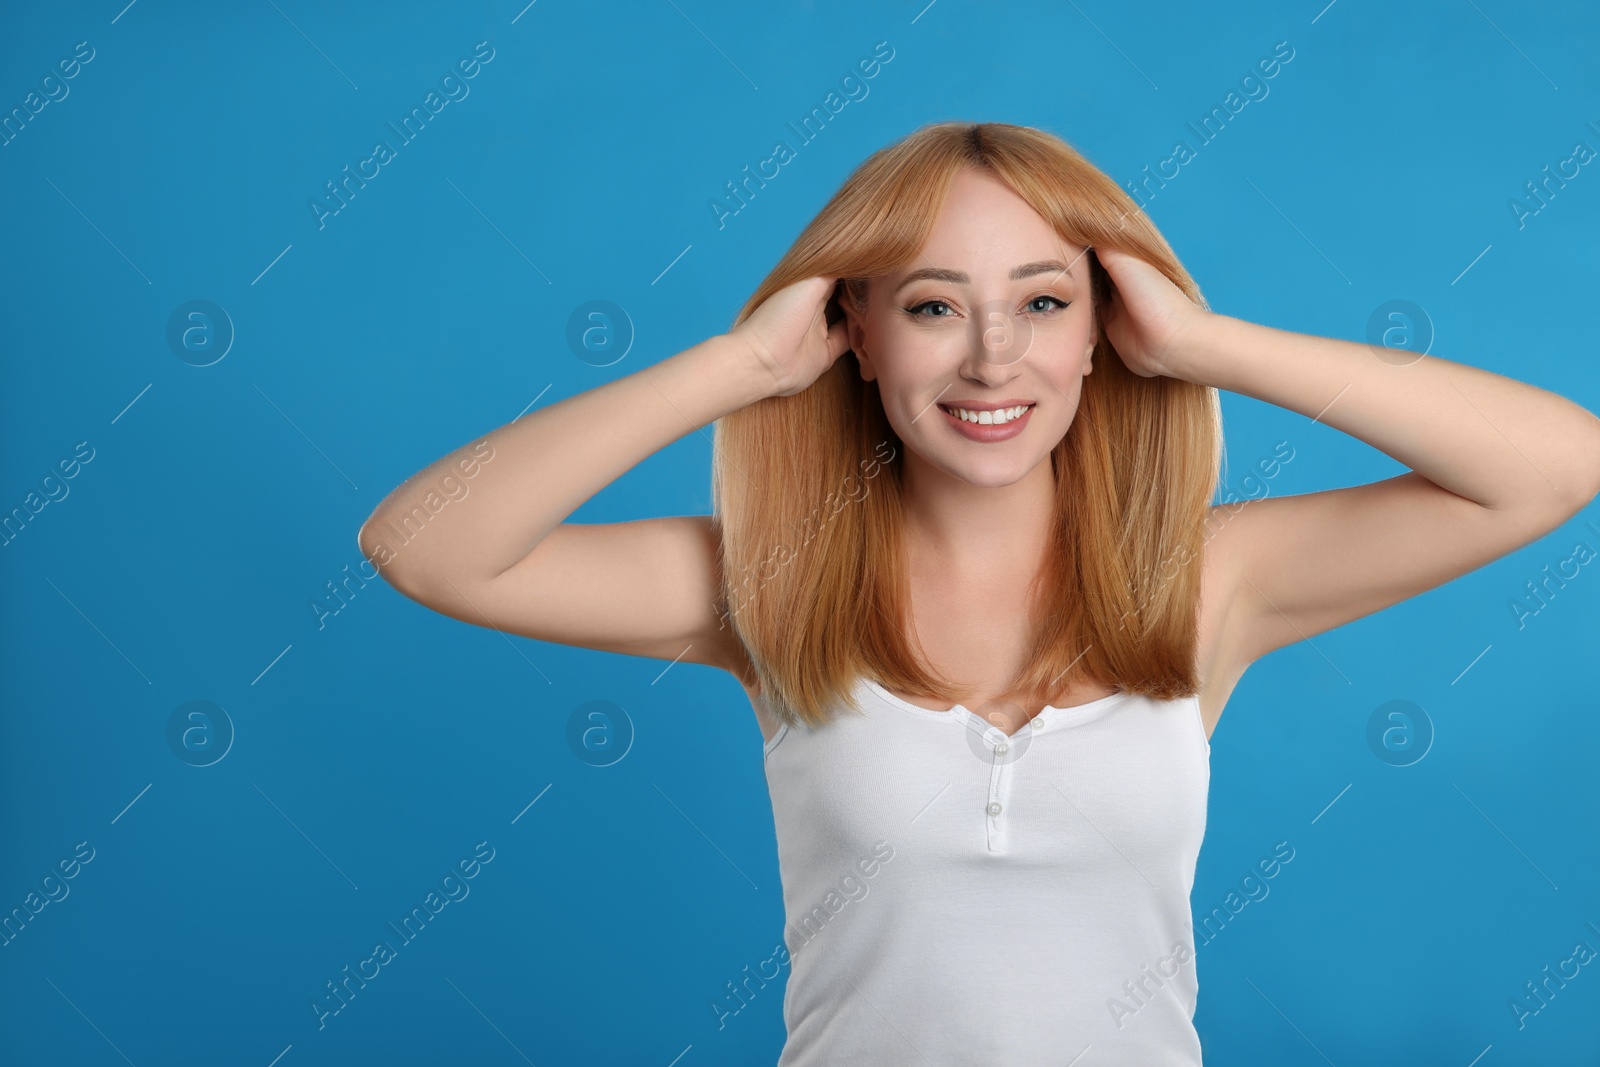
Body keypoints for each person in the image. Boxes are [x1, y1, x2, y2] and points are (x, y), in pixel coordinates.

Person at [357, 121, 1600, 1064]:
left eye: (1043, 303)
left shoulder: (1207, 579)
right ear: (858, 330)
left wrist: (1205, 345)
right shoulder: (773, 582)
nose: (994, 356)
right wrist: (741, 364)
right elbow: (424, 543)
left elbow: (1552, 467)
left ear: (1100, 326)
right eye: (935, 305)